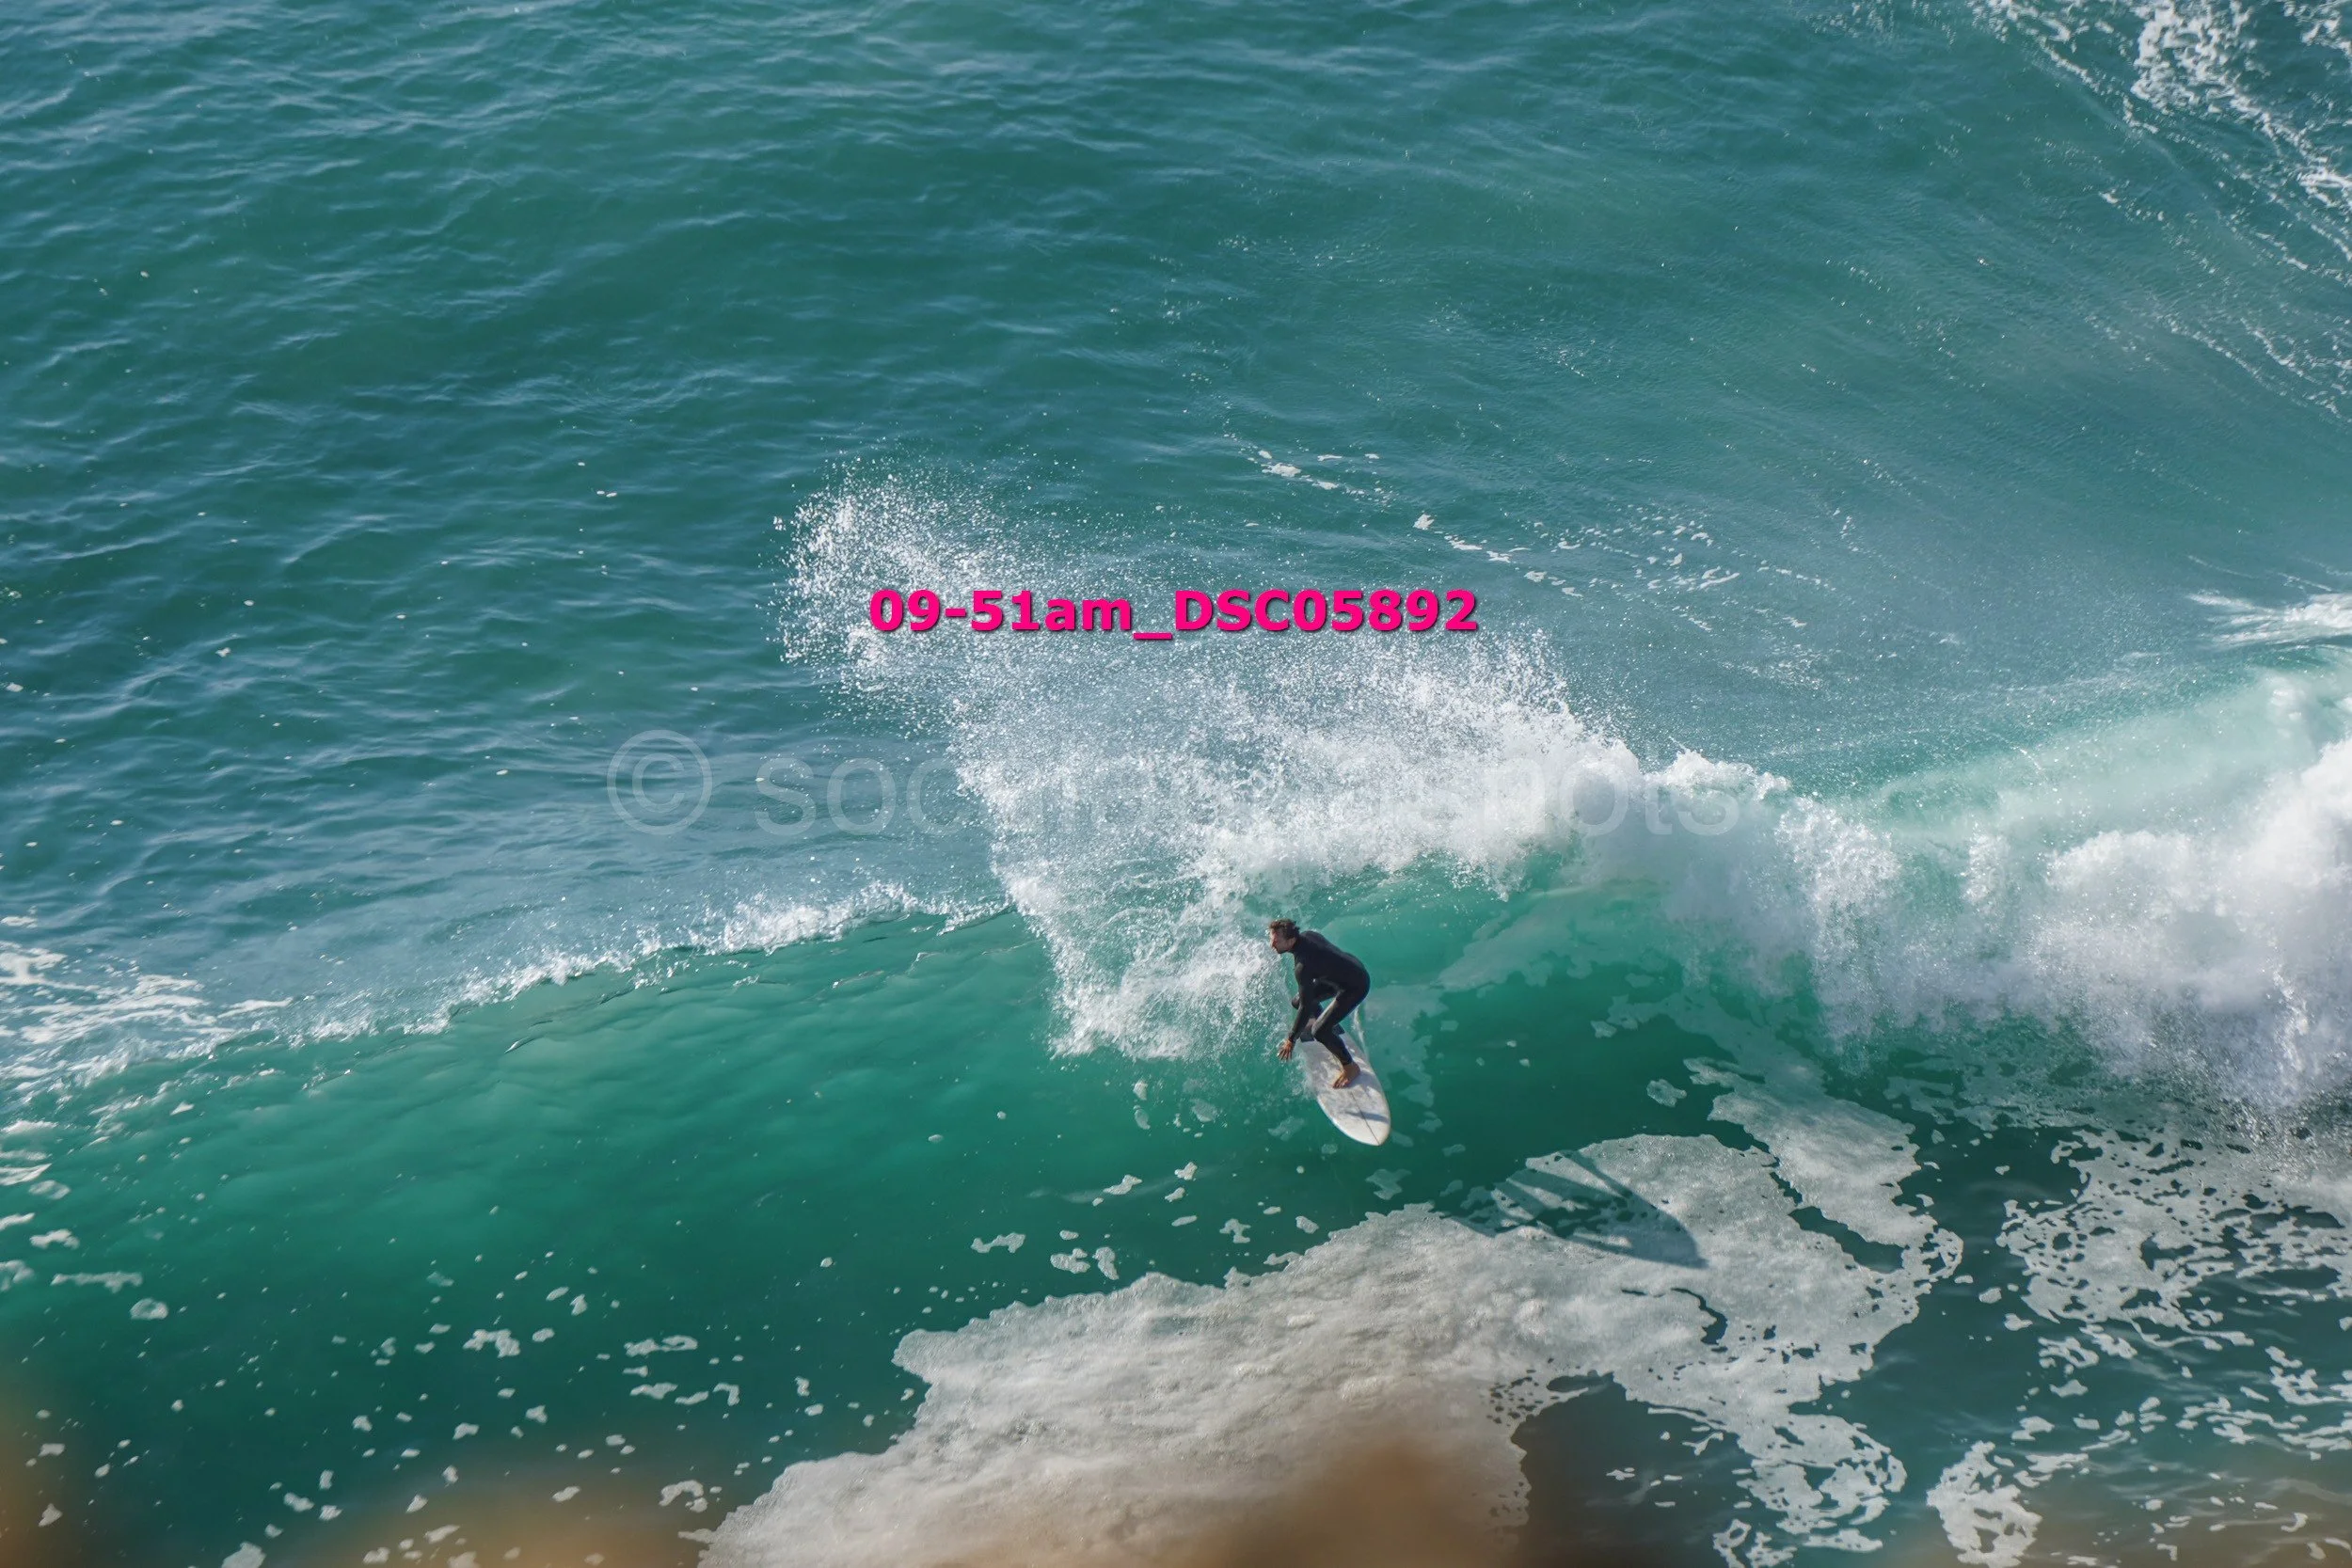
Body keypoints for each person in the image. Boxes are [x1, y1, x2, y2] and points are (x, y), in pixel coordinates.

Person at [1268, 918, 1370, 1088]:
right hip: (1346, 972)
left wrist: (1291, 1039)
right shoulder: (1308, 935)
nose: (1272, 944)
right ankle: (1326, 1022)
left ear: (1291, 941)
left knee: (1319, 1031)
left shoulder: (1303, 966)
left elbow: (1306, 1007)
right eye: (1271, 937)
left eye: (1277, 941)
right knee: (1297, 1001)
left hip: (1355, 986)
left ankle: (1350, 1066)